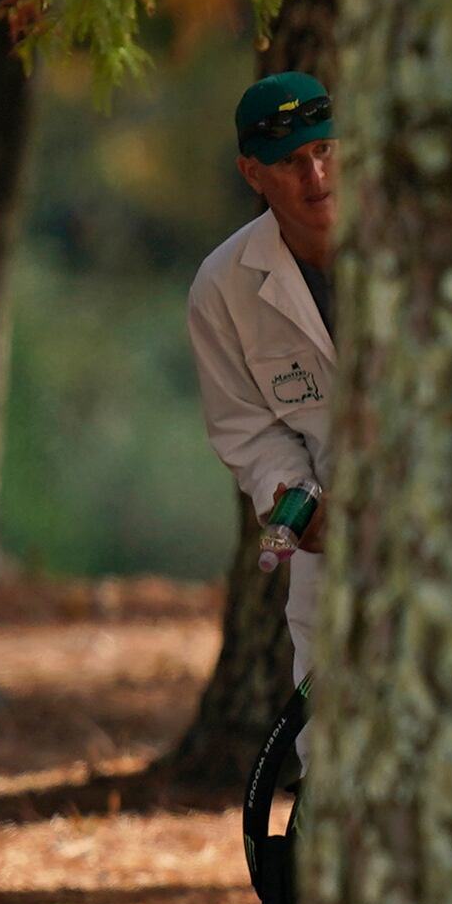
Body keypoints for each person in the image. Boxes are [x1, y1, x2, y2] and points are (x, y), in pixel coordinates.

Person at [189, 71, 338, 689]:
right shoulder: (223, 287)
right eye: (291, 161)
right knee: (332, 754)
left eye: (324, 151)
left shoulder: (424, 240)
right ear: (252, 173)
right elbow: (247, 430)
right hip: (336, 559)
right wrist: (292, 496)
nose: (316, 178)